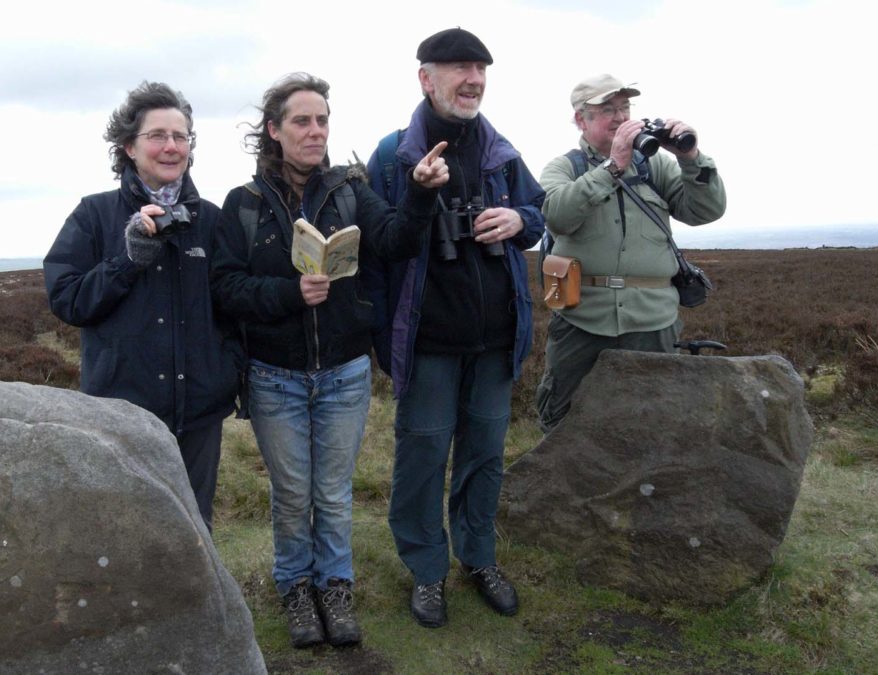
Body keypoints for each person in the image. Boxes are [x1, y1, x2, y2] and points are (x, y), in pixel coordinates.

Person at [211, 72, 447, 648]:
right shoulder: (241, 205)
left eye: (322, 121)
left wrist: (419, 193)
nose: (315, 131)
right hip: (274, 377)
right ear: (274, 129)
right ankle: (296, 588)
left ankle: (335, 588)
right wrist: (290, 294)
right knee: (293, 493)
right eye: (301, 121)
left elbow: (395, 240)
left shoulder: (350, 190)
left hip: (344, 372)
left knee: (334, 492)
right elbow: (224, 287)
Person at [365, 28, 545, 628]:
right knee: (421, 457)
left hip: (495, 341)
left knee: (486, 454)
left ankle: (479, 556)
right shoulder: (394, 155)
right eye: (459, 68)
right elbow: (379, 246)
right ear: (426, 77)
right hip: (429, 343)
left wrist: (518, 218)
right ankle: (426, 569)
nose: (473, 79)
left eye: (480, 69)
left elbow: (538, 217)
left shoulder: (501, 151)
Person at [43, 81, 242, 533]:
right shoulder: (94, 216)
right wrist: (127, 260)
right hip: (121, 415)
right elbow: (67, 299)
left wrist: (226, 373)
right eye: (157, 136)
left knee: (194, 529)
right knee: (125, 532)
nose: (171, 147)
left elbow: (233, 307)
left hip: (198, 414)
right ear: (129, 147)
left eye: (181, 136)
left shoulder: (211, 219)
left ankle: (199, 607)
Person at [533, 74, 727, 434]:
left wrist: (691, 158)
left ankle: (644, 489)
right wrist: (612, 167)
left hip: (652, 319)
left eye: (624, 107)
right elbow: (556, 215)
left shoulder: (656, 167)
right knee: (563, 417)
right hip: (582, 316)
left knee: (652, 418)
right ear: (581, 119)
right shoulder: (564, 168)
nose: (621, 117)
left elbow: (705, 212)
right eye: (607, 109)